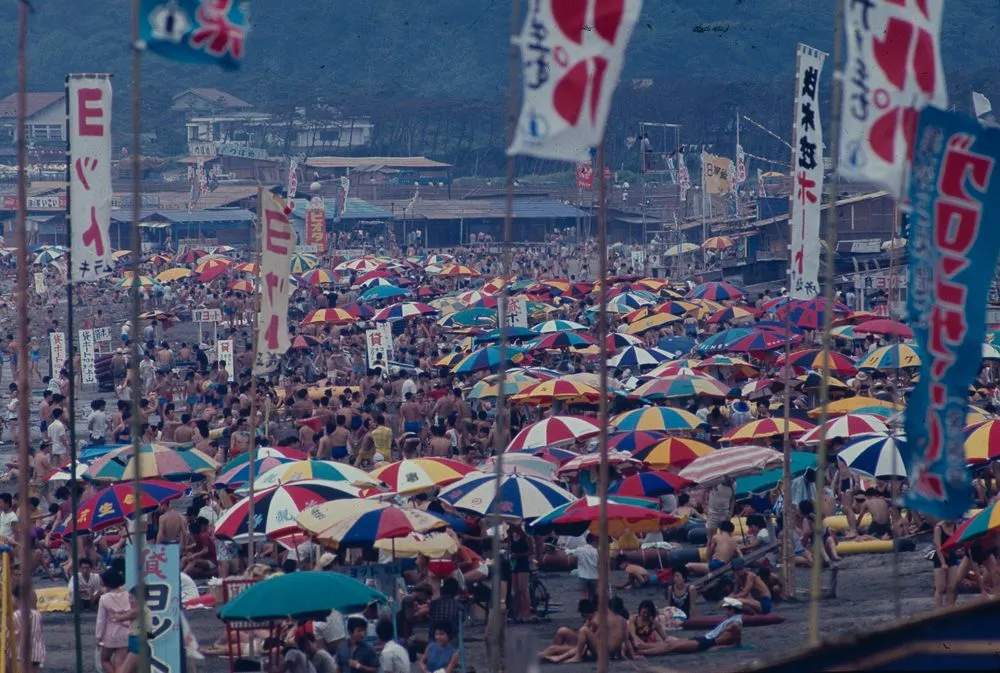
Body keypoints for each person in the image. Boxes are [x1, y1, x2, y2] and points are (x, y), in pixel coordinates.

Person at [635, 597, 744, 655]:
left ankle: (641, 652)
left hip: (707, 643)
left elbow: (736, 644)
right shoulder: (731, 620)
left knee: (671, 647)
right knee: (670, 643)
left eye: (727, 609)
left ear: (732, 610)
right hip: (705, 639)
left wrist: (718, 647)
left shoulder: (735, 624)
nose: (725, 611)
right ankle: (642, 647)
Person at [95, 568, 129, 673]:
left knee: (105, 660)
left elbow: (101, 620)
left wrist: (98, 637)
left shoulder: (104, 598)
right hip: (126, 632)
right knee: (120, 663)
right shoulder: (128, 594)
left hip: (110, 634)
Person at [11, 585, 44, 673]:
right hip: (36, 653)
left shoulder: (15, 616)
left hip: (20, 654)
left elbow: (10, 636)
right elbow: (40, 633)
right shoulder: (37, 614)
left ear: (16, 599)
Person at [933, 519, 962, 608]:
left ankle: (950, 608)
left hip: (951, 557)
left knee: (951, 587)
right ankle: (938, 611)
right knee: (940, 588)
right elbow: (938, 547)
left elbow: (958, 543)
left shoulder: (956, 526)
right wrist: (943, 563)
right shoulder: (938, 528)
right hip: (940, 558)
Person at [572, 533, 600, 599]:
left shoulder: (579, 549)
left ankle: (584, 608)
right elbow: (600, 564)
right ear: (594, 541)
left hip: (582, 576)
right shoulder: (597, 551)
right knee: (594, 596)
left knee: (583, 596)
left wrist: (580, 565)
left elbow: (574, 560)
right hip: (594, 576)